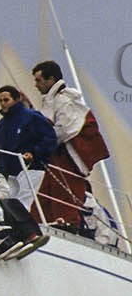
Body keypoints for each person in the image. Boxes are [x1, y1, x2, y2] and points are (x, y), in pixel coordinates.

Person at [32, 60, 111, 230]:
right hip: (59, 154)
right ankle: (39, 221)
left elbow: (64, 128)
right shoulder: (55, 100)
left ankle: (68, 222)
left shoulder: (65, 100)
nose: (36, 85)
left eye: (39, 80)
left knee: (66, 188)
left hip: (69, 154)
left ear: (51, 79)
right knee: (49, 189)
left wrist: (42, 145)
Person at [0, 135, 47, 259]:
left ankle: (30, 235)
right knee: (4, 205)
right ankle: (13, 241)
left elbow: (4, 191)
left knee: (12, 203)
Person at [0, 84, 57, 213]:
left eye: (6, 100)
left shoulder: (32, 117)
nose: (3, 104)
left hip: (31, 168)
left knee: (21, 204)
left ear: (16, 99)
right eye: (0, 100)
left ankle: (25, 231)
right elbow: (0, 150)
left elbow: (49, 138)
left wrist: (34, 153)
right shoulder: (1, 125)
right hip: (10, 174)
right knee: (7, 205)